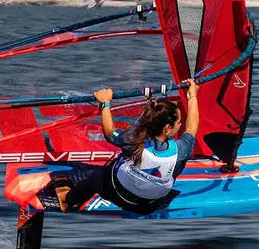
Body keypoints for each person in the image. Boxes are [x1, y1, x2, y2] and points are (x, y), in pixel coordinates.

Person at [50, 79, 200, 216]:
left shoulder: (134, 138)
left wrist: (105, 102)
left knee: (98, 175)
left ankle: (67, 200)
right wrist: (192, 96)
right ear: (167, 128)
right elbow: (192, 127)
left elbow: (109, 133)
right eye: (178, 122)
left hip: (118, 196)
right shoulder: (182, 150)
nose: (180, 124)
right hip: (150, 206)